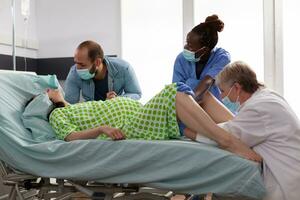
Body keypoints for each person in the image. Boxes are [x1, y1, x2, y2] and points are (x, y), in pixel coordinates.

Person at [45, 82, 261, 162]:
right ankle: (228, 140)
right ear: (47, 100)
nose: (54, 88)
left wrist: (113, 101)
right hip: (130, 128)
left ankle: (241, 131)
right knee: (172, 92)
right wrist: (102, 128)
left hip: (139, 115)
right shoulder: (58, 114)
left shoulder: (77, 105)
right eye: (48, 90)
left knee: (202, 95)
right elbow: (71, 137)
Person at [185, 61, 300, 200]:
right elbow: (238, 127)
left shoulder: (258, 108)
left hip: (284, 182)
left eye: (222, 91)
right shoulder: (268, 96)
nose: (221, 97)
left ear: (237, 87)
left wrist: (186, 131)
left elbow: (224, 137)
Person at [172, 14, 230, 102]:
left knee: (207, 89)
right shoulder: (181, 59)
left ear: (204, 50)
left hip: (212, 105)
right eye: (187, 42)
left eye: (190, 46)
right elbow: (176, 89)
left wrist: (191, 102)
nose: (186, 47)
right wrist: (188, 105)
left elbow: (208, 81)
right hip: (185, 105)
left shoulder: (221, 57)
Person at [64, 40, 142, 104]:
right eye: (76, 62)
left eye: (82, 65)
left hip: (116, 109)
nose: (77, 68)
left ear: (97, 62)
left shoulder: (124, 68)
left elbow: (136, 93)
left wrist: (118, 100)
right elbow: (69, 103)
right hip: (92, 112)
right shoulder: (74, 72)